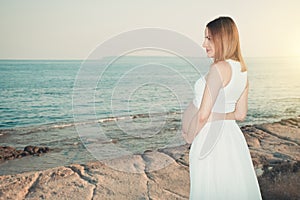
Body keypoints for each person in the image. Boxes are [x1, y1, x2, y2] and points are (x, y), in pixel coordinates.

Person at [182, 16, 262, 199]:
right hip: (231, 139)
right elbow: (240, 114)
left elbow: (203, 115)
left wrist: (189, 136)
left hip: (210, 141)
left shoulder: (219, 68)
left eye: (209, 38)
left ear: (223, 39)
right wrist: (217, 117)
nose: (203, 44)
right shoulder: (242, 70)